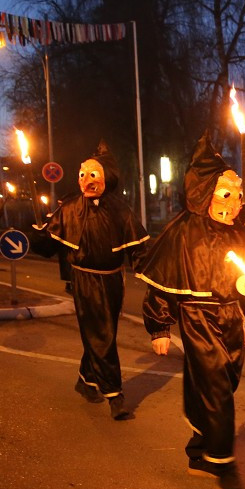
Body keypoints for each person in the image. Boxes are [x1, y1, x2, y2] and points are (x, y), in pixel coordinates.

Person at [139, 133, 245, 489]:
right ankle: (224, 465)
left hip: (231, 317)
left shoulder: (240, 231)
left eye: (237, 196)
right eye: (224, 195)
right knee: (217, 391)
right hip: (198, 317)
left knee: (222, 384)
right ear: (205, 194)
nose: (233, 203)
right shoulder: (181, 232)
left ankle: (198, 449)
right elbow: (162, 282)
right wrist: (160, 326)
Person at [31, 142, 148, 420]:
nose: (87, 181)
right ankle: (114, 394)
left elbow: (139, 249)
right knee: (101, 335)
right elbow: (48, 246)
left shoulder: (121, 210)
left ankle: (85, 380)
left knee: (101, 334)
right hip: (84, 281)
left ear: (106, 178)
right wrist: (39, 232)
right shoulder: (70, 208)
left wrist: (151, 276)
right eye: (83, 175)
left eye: (93, 175)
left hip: (112, 281)